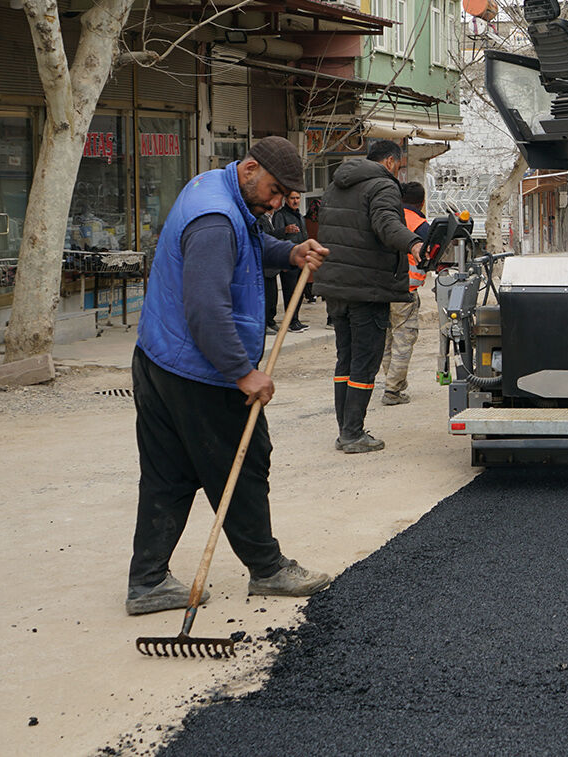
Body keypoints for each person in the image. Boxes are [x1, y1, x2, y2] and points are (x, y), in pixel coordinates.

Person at [126, 135, 333, 615]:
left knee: (168, 474)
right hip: (199, 370)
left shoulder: (214, 189)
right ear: (250, 169)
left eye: (285, 196)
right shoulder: (215, 221)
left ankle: (148, 582)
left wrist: (290, 254)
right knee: (244, 464)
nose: (279, 203)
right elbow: (205, 309)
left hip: (160, 358)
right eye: (276, 191)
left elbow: (251, 243)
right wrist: (242, 373)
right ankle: (268, 568)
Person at [312, 139, 426, 453]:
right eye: (400, 165)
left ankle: (345, 430)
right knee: (364, 362)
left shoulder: (336, 186)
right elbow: (387, 225)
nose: (400, 172)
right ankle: (353, 434)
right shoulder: (383, 187)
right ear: (391, 161)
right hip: (367, 288)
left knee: (345, 359)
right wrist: (415, 243)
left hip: (337, 287)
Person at [381, 181, 431, 407]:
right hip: (405, 291)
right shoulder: (421, 226)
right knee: (403, 340)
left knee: (387, 340)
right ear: (422, 201)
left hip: (382, 290)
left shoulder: (386, 219)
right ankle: (392, 390)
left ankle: (393, 383)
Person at [261, 190, 310, 333]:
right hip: (288, 260)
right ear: (286, 200)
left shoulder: (299, 216)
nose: (295, 201)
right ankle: (290, 321)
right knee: (289, 292)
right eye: (292, 198)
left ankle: (295, 319)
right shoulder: (280, 215)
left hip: (300, 259)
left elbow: (304, 236)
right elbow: (277, 238)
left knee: (299, 292)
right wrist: (283, 258)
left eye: (297, 198)